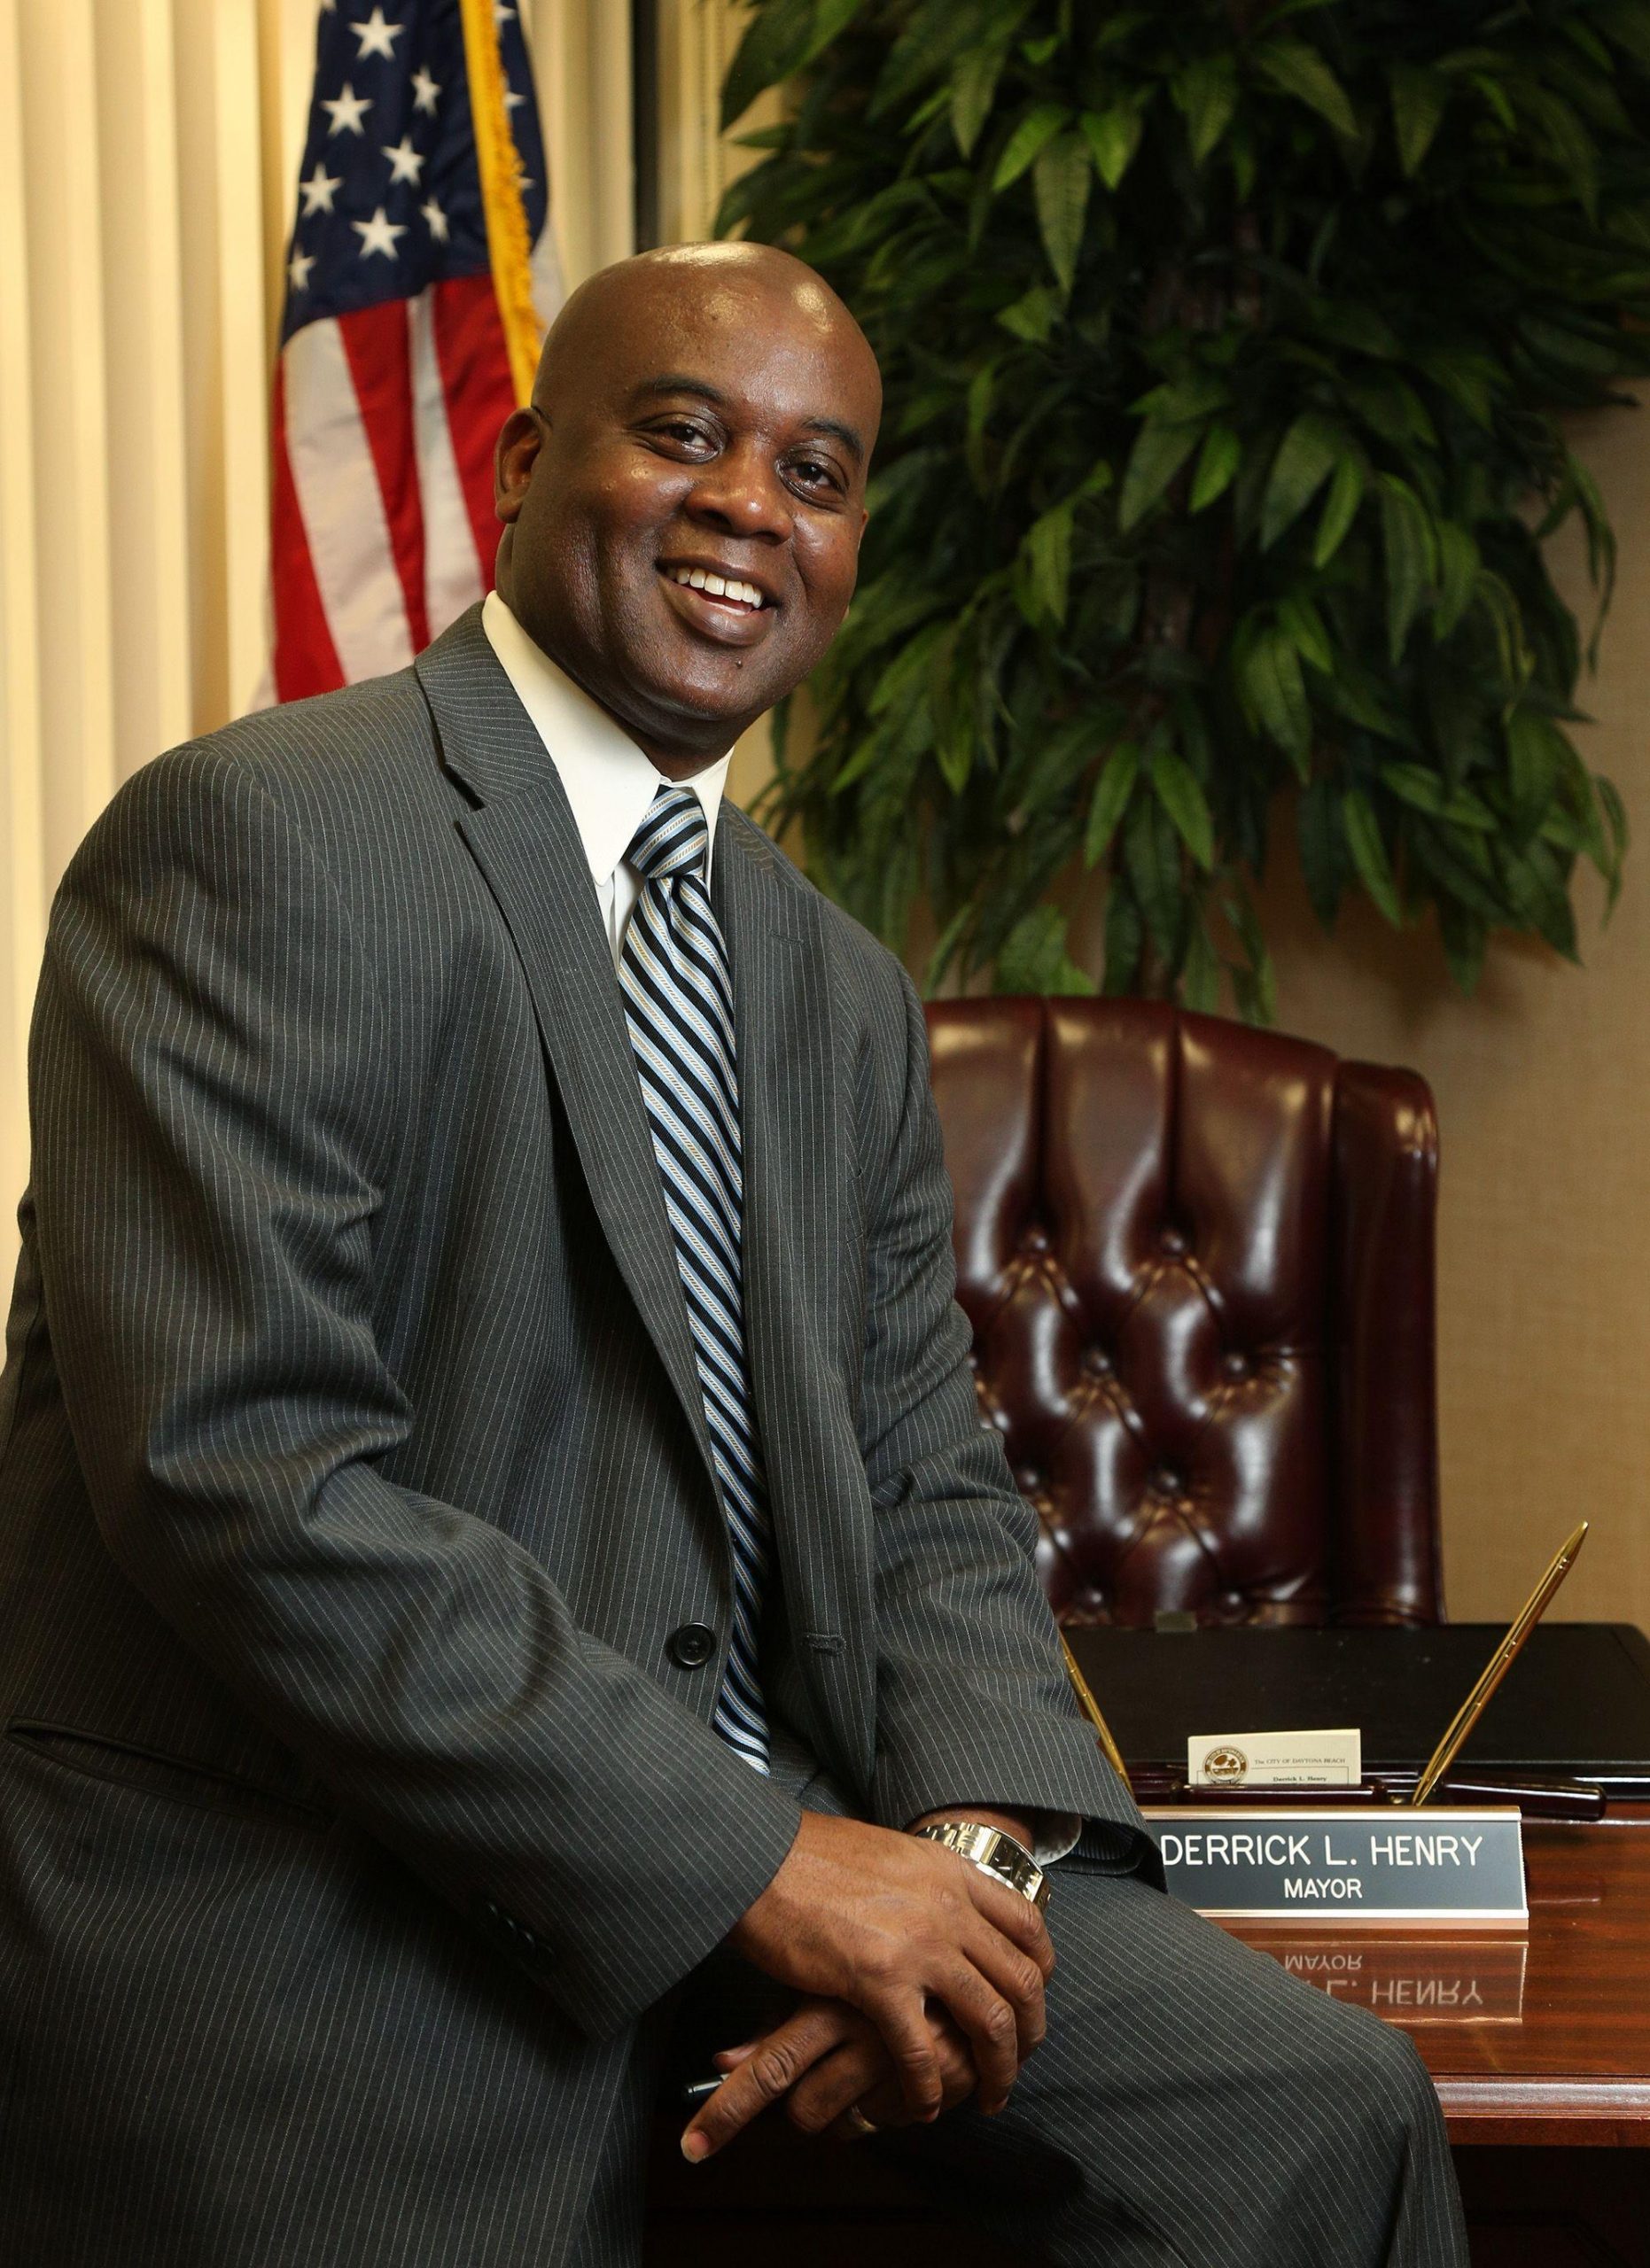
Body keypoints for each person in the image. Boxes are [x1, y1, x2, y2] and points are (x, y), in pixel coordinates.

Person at [0, 243, 1467, 2265]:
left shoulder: (831, 981)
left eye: (815, 472)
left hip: (789, 1838)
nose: (747, 507)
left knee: (1313, 2117)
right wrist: (749, 1860)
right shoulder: (256, 840)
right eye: (682, 432)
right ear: (523, 466)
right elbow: (244, 1475)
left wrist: (965, 1865)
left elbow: (926, 1476)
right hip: (346, 1881)